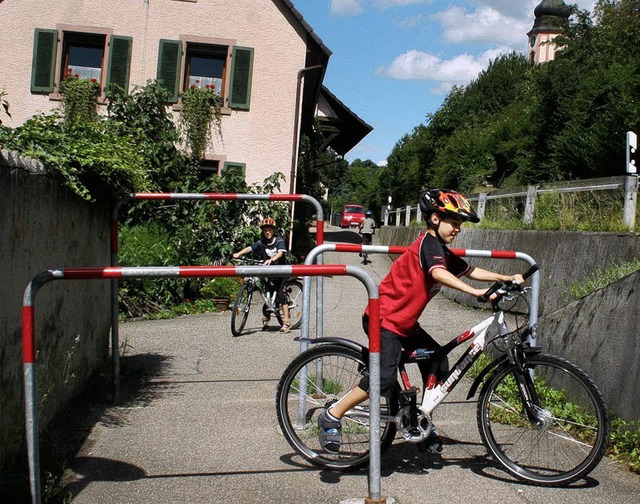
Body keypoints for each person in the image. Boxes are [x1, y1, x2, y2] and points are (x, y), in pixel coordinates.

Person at [318, 189, 525, 453]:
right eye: (454, 223)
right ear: (436, 219)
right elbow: (438, 273)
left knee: (438, 358)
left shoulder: (440, 248)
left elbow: (470, 270)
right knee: (382, 379)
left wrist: (505, 278)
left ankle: (420, 421)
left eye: (460, 224)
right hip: (385, 321)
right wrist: (475, 293)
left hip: (405, 323)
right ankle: (332, 416)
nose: (458, 229)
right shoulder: (429, 244)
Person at [232, 217, 291, 333]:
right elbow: (250, 248)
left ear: (274, 231)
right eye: (265, 231)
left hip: (282, 271)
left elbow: (280, 253)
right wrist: (238, 254)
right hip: (269, 271)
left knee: (280, 295)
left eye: (269, 230)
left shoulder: (279, 241)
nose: (267, 232)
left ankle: (287, 322)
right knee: (266, 292)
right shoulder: (262, 242)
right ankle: (267, 316)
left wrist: (272, 259)